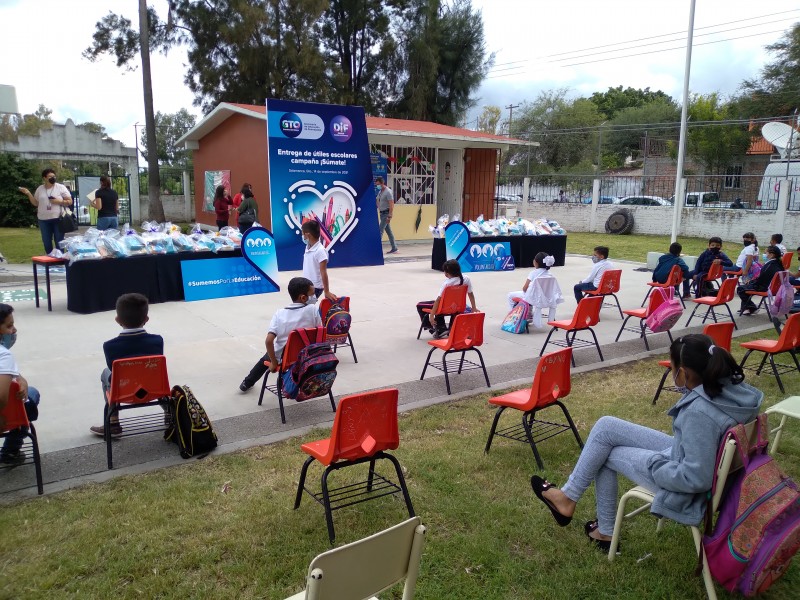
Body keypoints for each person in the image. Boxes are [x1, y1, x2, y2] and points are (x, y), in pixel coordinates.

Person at [530, 334, 762, 551]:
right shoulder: (732, 391)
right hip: (697, 460)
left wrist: (655, 464)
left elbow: (695, 477)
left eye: (673, 370)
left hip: (687, 486)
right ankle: (569, 497)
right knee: (606, 427)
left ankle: (604, 531)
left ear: (683, 373)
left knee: (605, 454)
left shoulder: (699, 414)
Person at [89, 293, 164, 437]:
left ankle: (113, 422)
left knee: (106, 372)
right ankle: (169, 413)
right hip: (153, 389)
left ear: (117, 320)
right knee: (155, 371)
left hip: (124, 392)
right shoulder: (157, 341)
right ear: (146, 319)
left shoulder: (110, 346)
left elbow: (113, 371)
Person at [239, 277, 322, 392]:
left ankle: (247, 383)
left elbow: (269, 341)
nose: (315, 297)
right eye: (312, 294)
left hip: (284, 359)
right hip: (308, 356)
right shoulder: (313, 310)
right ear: (303, 297)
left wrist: (273, 363)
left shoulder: (280, 314)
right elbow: (320, 330)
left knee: (266, 357)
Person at [0, 304, 41, 466]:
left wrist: (19, 377)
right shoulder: (4, 355)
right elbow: (1, 397)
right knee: (31, 397)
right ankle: (11, 450)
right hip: (6, 415)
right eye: (9, 326)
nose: (14, 330)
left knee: (27, 391)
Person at [416, 259, 478, 339]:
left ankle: (433, 328)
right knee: (439, 304)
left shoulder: (447, 283)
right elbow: (470, 294)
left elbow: (438, 301)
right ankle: (441, 326)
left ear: (447, 274)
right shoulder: (466, 279)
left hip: (443, 307)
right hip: (457, 307)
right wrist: (474, 307)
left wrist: (431, 316)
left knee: (419, 305)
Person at [18, 168, 73, 254]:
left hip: (58, 218)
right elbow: (36, 203)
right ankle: (50, 259)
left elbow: (70, 201)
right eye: (50, 176)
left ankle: (60, 261)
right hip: (43, 220)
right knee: (46, 241)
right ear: (44, 178)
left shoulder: (60, 187)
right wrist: (28, 193)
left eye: (54, 176)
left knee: (59, 240)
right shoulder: (40, 189)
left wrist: (59, 201)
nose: (53, 178)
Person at [737, 245, 785, 316]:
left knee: (740, 288)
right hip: (773, 288)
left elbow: (761, 280)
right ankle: (746, 308)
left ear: (771, 255)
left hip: (764, 287)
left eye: (766, 253)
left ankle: (752, 307)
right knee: (746, 286)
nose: (765, 255)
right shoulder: (778, 264)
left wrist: (751, 282)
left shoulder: (769, 265)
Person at [302, 220, 337, 302]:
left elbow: (323, 272)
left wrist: (327, 291)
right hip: (306, 284)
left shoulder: (320, 251)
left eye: (302, 234)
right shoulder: (308, 247)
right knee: (302, 307)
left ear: (308, 235)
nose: (302, 236)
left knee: (304, 307)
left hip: (315, 287)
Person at [375, 176, 398, 255]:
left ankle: (376, 249)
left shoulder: (388, 192)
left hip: (386, 214)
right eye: (376, 184)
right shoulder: (380, 192)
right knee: (389, 231)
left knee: (380, 231)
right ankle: (394, 248)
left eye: (378, 184)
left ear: (382, 183)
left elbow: (391, 204)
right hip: (381, 213)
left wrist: (390, 215)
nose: (377, 186)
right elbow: (377, 200)